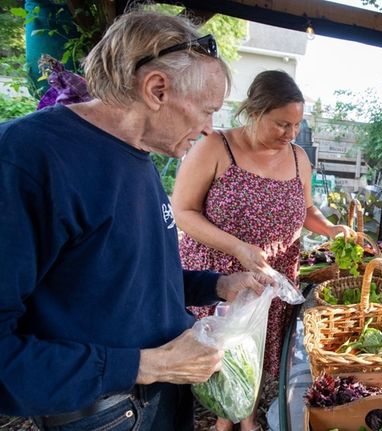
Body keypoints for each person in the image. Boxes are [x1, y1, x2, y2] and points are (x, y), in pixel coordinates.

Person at [0, 10, 269, 430]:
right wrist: (147, 365)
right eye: (206, 110)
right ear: (157, 89)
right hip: (103, 414)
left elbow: (126, 275)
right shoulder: (28, 156)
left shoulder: (141, 157)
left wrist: (215, 284)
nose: (208, 129)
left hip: (163, 396)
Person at [171, 69, 355, 430]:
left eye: (297, 125)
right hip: (219, 273)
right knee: (220, 354)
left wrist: (331, 228)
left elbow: (305, 209)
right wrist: (237, 247)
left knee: (252, 352)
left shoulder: (299, 157)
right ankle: (222, 421)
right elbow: (183, 211)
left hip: (272, 276)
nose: (290, 134)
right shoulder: (215, 147)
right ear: (254, 111)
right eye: (281, 124)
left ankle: (246, 417)